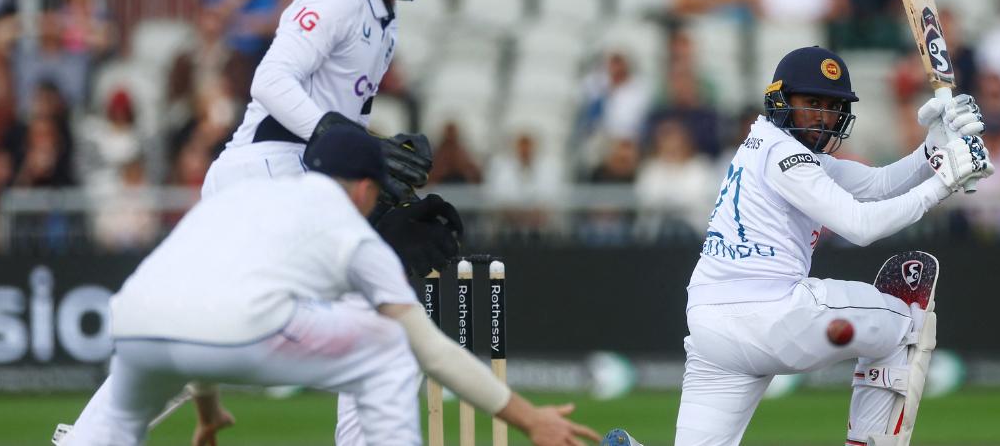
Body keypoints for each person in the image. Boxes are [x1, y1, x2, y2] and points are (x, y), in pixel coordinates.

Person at [59, 124, 600, 446]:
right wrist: (531, 420)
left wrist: (206, 411)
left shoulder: (244, 198)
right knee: (394, 344)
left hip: (136, 321)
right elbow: (435, 352)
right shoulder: (350, 232)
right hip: (232, 327)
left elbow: (193, 309)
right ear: (365, 188)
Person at [199, 0, 462, 446]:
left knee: (208, 335)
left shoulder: (384, 21)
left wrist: (382, 161)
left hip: (290, 179)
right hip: (265, 173)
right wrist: (356, 146)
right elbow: (270, 82)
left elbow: (331, 133)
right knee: (379, 316)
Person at [650, 46, 994, 445]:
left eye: (832, 107)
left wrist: (932, 149)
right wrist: (944, 182)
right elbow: (861, 226)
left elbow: (878, 185)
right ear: (781, 101)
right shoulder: (786, 157)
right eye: (812, 103)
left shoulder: (767, 144)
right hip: (771, 315)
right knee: (903, 324)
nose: (823, 116)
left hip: (709, 327)